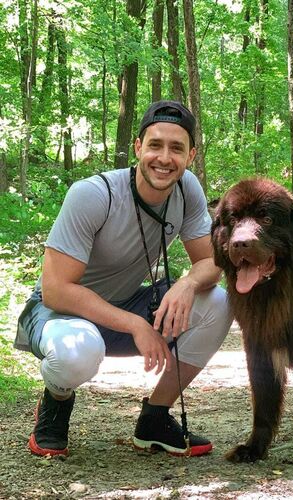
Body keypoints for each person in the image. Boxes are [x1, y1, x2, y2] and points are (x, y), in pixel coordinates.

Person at [15, 100, 233, 458]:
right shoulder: (93, 194)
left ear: (191, 155)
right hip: (59, 315)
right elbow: (55, 291)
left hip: (125, 303)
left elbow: (211, 261)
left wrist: (187, 284)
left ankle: (154, 419)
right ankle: (56, 402)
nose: (165, 158)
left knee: (218, 302)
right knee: (77, 352)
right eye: (155, 145)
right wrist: (135, 324)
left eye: (177, 148)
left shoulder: (186, 189)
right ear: (138, 147)